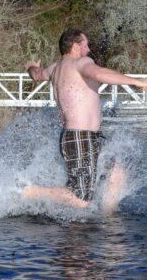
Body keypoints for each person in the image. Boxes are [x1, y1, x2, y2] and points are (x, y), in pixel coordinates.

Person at [22, 28, 147, 214]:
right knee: (81, 199)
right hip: (80, 137)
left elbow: (37, 75)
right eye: (85, 45)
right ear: (75, 46)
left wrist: (31, 67)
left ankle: (107, 221)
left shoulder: (54, 68)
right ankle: (28, 191)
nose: (88, 49)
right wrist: (138, 82)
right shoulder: (81, 62)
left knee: (116, 175)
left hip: (86, 137)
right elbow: (98, 74)